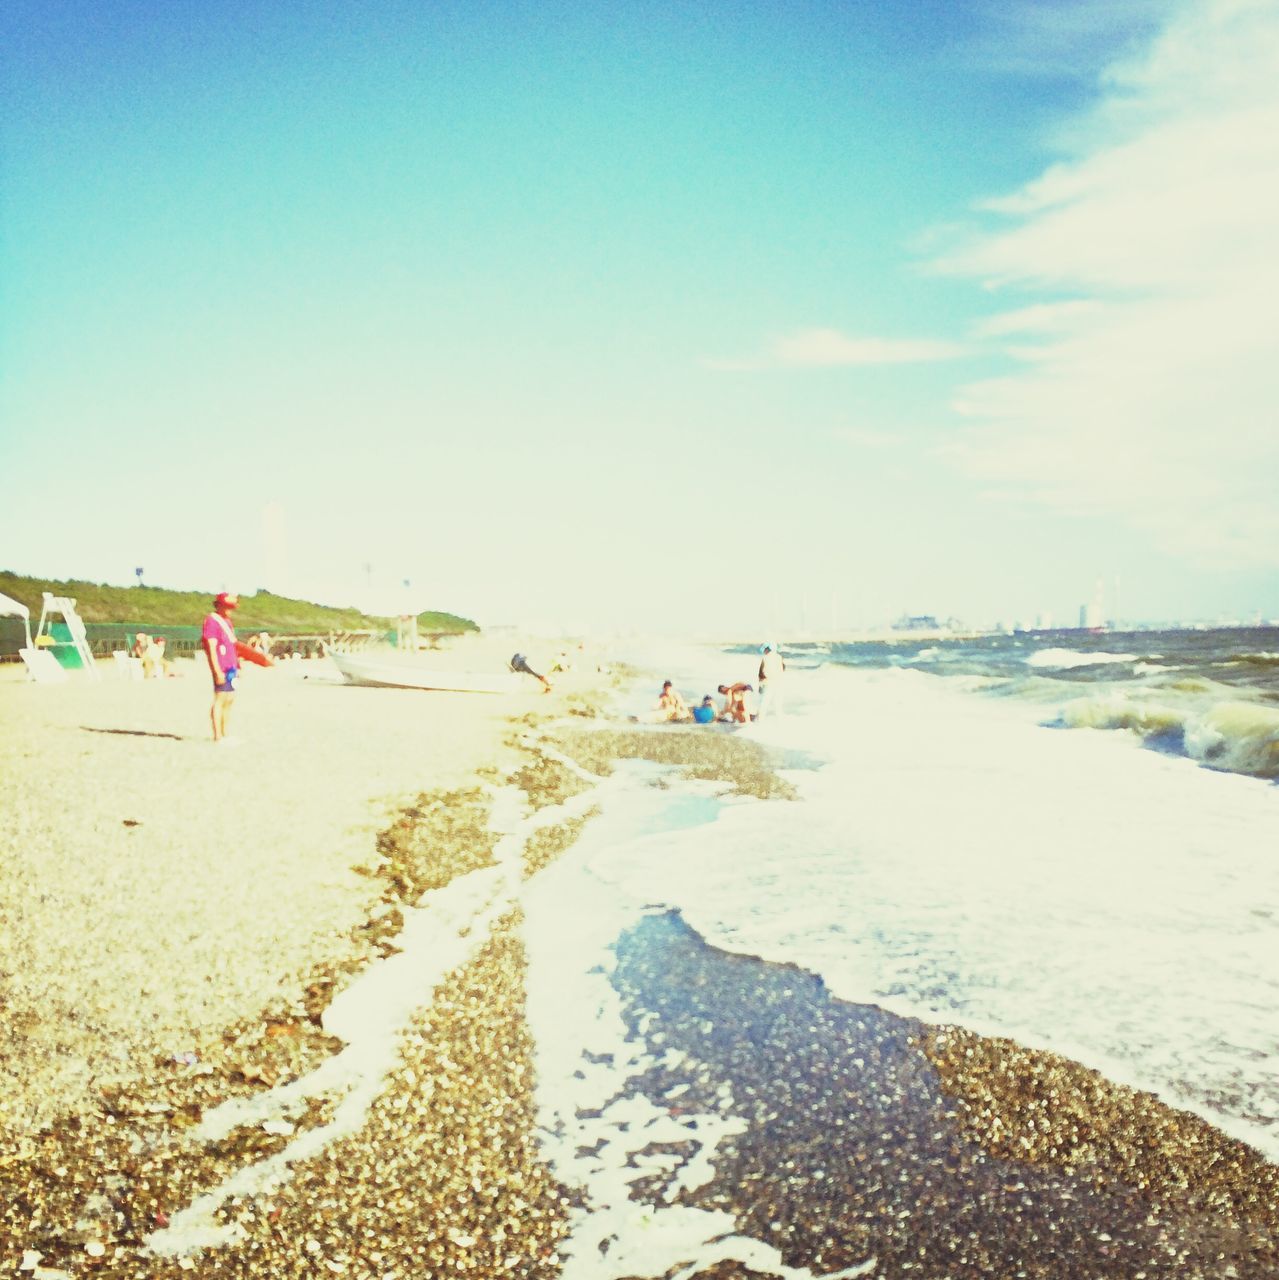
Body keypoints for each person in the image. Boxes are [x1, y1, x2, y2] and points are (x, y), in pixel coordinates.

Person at [202, 591, 241, 743]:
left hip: (231, 665)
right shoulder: (212, 621)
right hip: (222, 666)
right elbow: (211, 647)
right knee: (220, 699)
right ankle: (217, 735)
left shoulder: (228, 622)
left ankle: (225, 733)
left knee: (229, 699)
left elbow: (232, 645)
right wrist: (216, 670)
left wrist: (238, 665)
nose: (230, 610)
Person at [757, 642, 786, 716]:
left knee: (763, 705)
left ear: (767, 649)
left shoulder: (765, 658)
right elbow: (783, 668)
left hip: (768, 684)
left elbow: (761, 673)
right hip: (779, 683)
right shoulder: (779, 657)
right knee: (778, 706)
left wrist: (760, 686)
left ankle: (759, 724)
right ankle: (780, 723)